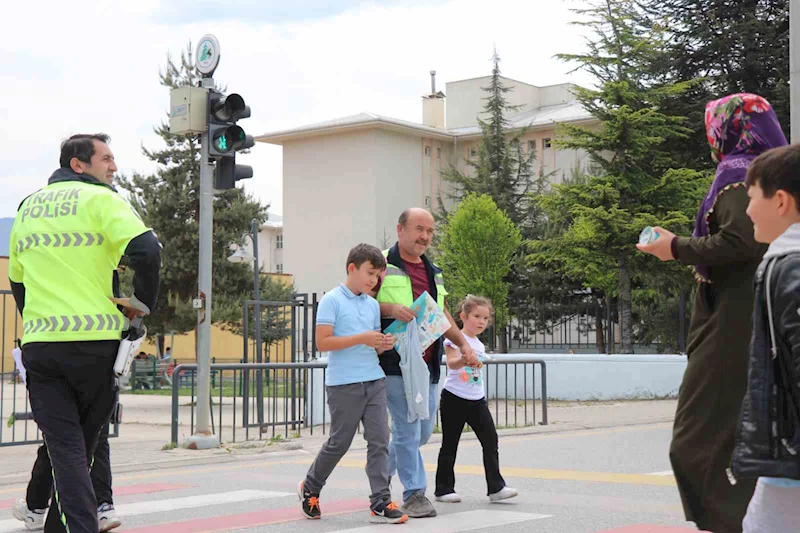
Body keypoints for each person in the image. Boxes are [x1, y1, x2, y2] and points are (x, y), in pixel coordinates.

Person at [637, 94, 787, 532]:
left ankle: (730, 522)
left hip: (732, 320)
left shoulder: (739, 172)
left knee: (696, 441)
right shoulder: (766, 176)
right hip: (745, 312)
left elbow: (741, 243)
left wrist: (675, 247)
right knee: (735, 434)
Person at [8, 133, 162, 533]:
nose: (114, 167)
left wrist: (37, 322)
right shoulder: (101, 200)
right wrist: (141, 306)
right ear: (79, 164)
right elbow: (148, 249)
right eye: (106, 159)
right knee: (82, 450)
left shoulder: (26, 207)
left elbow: (18, 282)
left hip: (42, 349)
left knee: (66, 451)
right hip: (94, 348)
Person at [373, 208, 476, 518]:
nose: (425, 236)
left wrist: (463, 345)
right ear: (400, 229)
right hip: (394, 362)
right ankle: (414, 493)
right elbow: (359, 300)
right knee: (406, 430)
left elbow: (440, 313)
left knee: (421, 433)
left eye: (430, 231)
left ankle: (378, 480)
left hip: (428, 365)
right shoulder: (380, 263)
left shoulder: (434, 270)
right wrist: (391, 308)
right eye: (419, 229)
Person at [298, 244, 407, 524]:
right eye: (370, 273)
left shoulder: (371, 305)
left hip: (374, 380)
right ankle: (311, 486)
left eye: (377, 276)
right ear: (352, 269)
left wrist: (383, 344)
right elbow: (323, 342)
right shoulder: (332, 300)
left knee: (380, 441)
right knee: (339, 442)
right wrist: (363, 338)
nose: (373, 281)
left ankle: (380, 500)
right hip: (343, 384)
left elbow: (372, 347)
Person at [728, 144, 800, 532]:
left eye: (752, 197)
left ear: (781, 201)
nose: (747, 210)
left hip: (791, 456)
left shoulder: (788, 268)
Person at [434, 295, 518, 504]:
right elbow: (452, 363)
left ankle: (496, 488)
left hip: (477, 400)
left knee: (490, 440)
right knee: (450, 443)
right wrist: (463, 358)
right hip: (454, 398)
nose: (481, 321)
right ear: (463, 316)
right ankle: (444, 489)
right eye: (476, 316)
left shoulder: (479, 344)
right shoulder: (454, 339)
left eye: (486, 318)